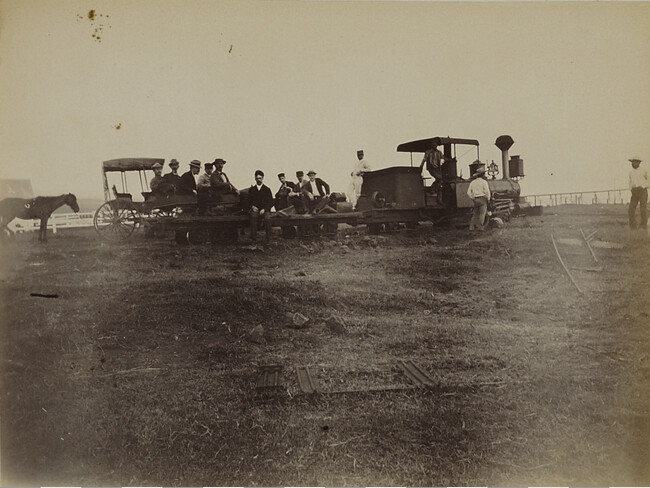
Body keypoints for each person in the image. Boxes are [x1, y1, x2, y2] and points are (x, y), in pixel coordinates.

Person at [248, 170, 274, 243]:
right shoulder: (252, 189)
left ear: (263, 178)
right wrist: (252, 206)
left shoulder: (267, 189)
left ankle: (269, 238)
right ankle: (253, 239)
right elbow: (248, 201)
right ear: (255, 179)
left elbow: (271, 202)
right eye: (257, 178)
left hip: (265, 210)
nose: (258, 180)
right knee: (253, 218)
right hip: (255, 209)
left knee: (267, 219)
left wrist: (265, 209)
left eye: (260, 178)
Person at [467, 165, 491, 232]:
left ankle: (471, 227)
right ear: (482, 174)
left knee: (475, 213)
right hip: (483, 199)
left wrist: (473, 198)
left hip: (475, 199)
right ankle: (480, 227)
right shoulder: (484, 182)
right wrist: (488, 199)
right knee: (482, 214)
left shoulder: (472, 182)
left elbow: (468, 192)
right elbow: (487, 192)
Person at [628, 157, 648, 229]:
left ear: (639, 163)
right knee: (631, 209)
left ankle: (643, 226)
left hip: (642, 191)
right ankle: (633, 227)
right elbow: (630, 182)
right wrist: (631, 189)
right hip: (634, 192)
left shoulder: (644, 171)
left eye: (635, 162)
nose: (633, 163)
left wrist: (643, 186)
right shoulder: (631, 172)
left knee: (643, 209)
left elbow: (648, 180)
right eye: (632, 162)